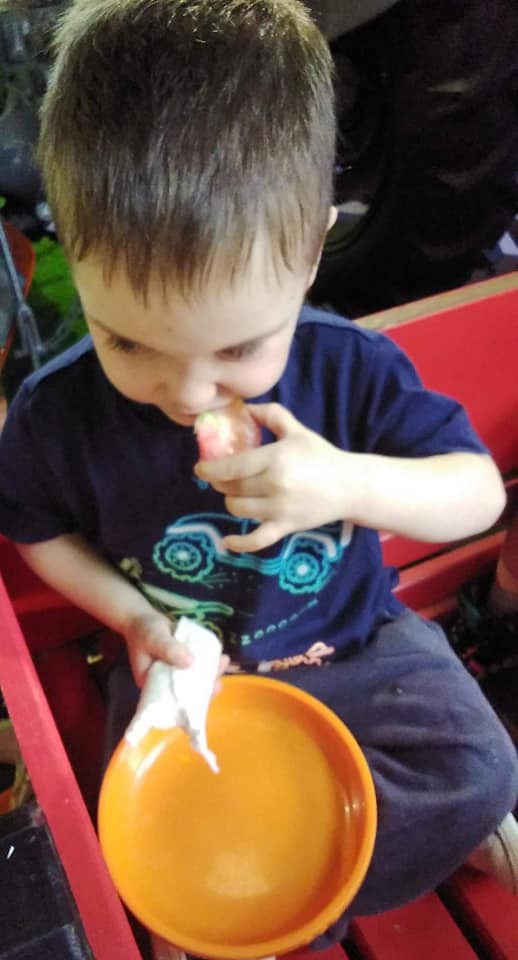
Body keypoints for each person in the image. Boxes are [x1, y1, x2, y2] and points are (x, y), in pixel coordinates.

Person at [0, 1, 516, 957]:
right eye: (128, 343)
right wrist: (137, 620)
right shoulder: (56, 414)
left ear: (311, 249)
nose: (187, 391)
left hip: (354, 646)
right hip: (181, 674)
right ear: (72, 245)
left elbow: (479, 495)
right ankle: (315, 873)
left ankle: (311, 879)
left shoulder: (349, 370)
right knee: (141, 857)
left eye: (239, 348)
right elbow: (34, 530)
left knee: (482, 770)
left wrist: (346, 483)